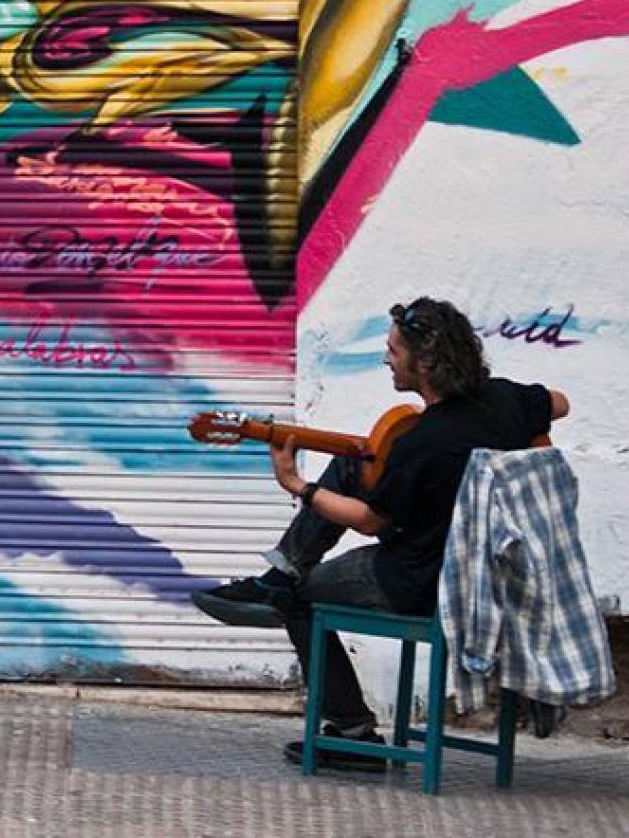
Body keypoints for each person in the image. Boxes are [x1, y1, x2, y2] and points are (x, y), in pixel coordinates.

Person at [192, 296, 570, 771]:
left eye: (393, 350)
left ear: (426, 363)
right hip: (490, 577)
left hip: (421, 582)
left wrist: (297, 486)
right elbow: (561, 403)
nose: (386, 358)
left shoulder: (424, 443)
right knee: (354, 464)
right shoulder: (508, 400)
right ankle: (279, 575)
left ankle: (354, 733)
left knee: (300, 600)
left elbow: (371, 521)